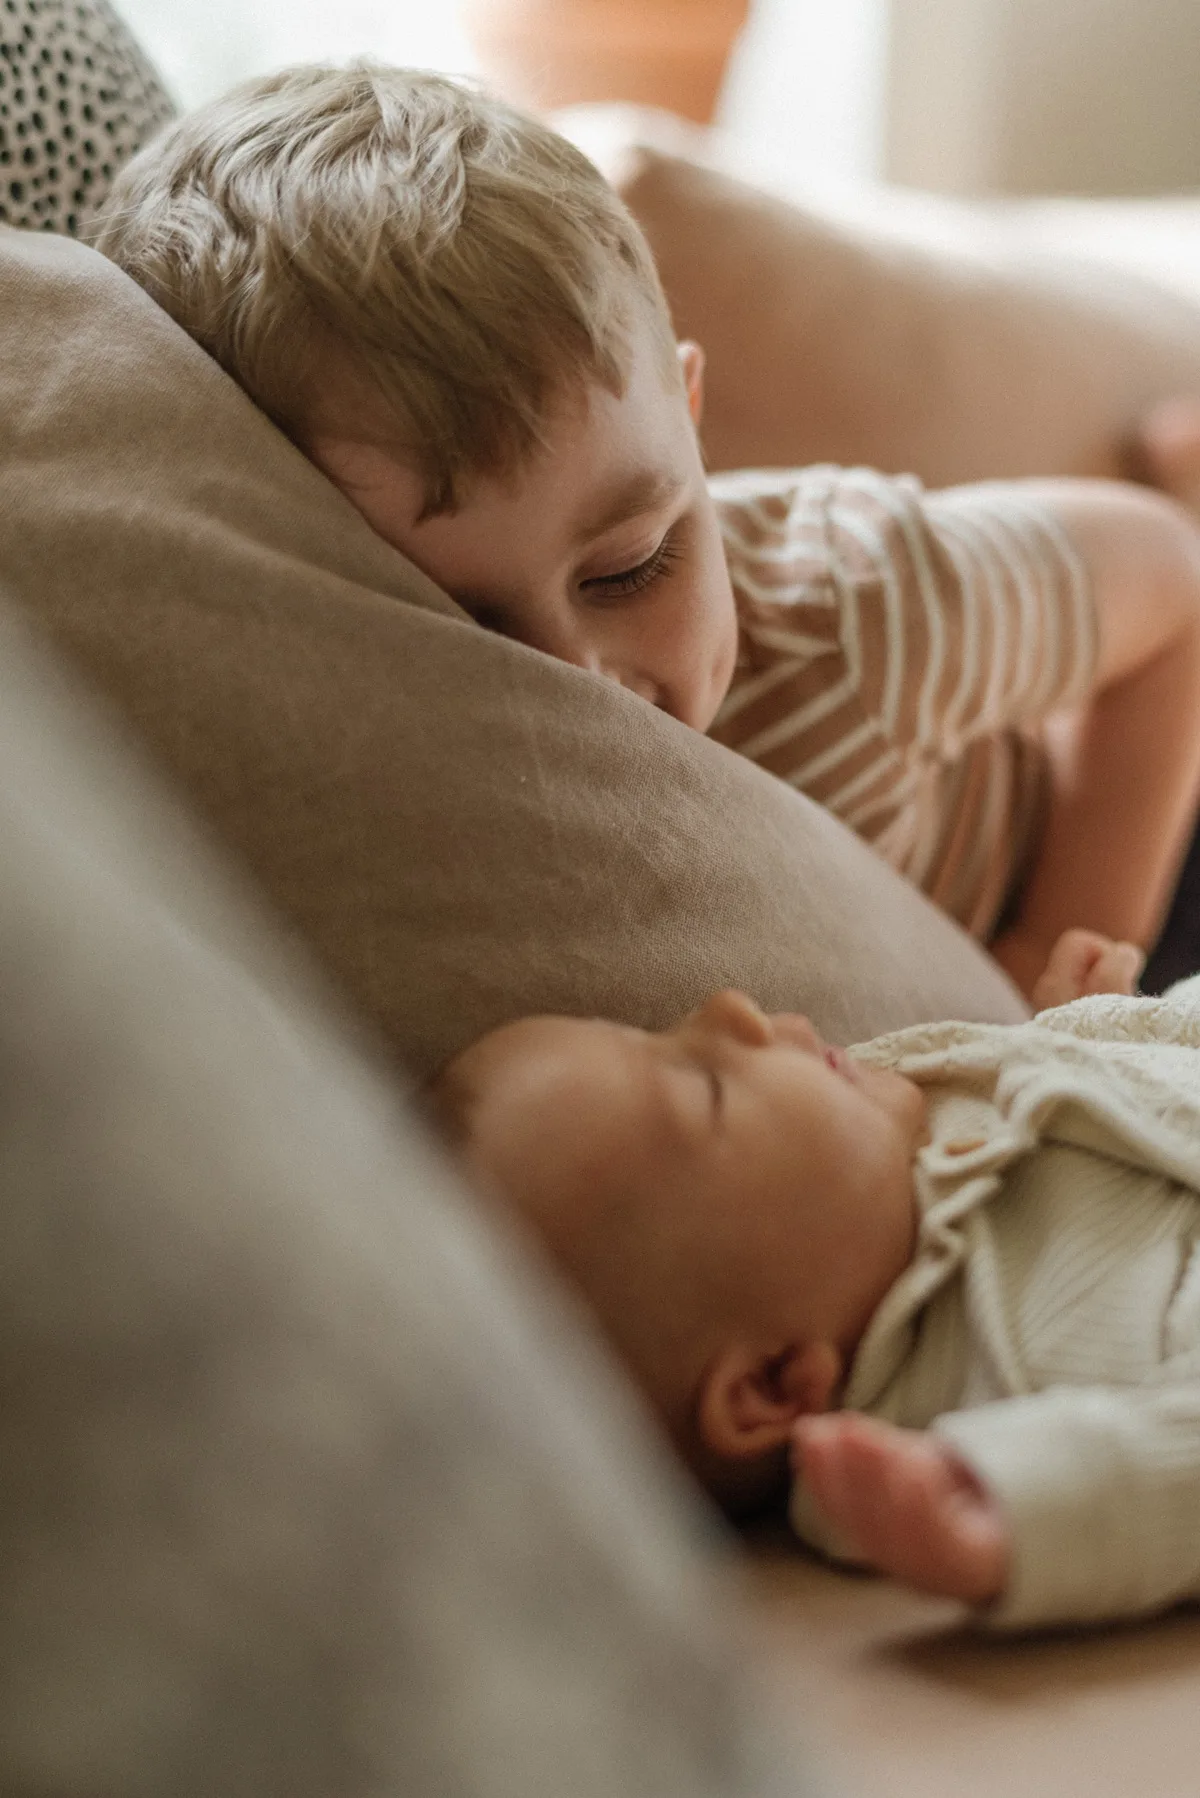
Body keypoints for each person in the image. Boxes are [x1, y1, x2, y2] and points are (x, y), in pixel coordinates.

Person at [89, 65, 1200, 999]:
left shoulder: (849, 607)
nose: (578, 681)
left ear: (693, 417)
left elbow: (1167, 584)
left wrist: (1052, 955)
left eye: (632, 568)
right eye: (455, 622)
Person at [427, 927, 1200, 1633]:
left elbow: (1095, 1087)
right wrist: (1034, 1504)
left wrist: (1082, 1025)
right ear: (772, 1383)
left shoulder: (906, 1123)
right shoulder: (998, 1371)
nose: (729, 1011)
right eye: (708, 1089)